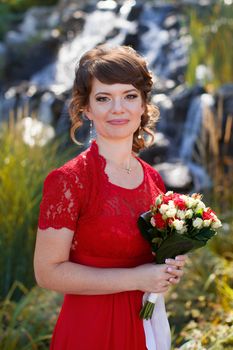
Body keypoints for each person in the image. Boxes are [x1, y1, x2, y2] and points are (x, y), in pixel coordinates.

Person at [34, 45, 186, 350]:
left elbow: (147, 263)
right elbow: (47, 273)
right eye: (104, 98)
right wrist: (137, 279)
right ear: (87, 108)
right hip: (90, 331)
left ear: (143, 104)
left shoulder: (154, 179)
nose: (118, 108)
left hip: (144, 328)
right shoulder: (69, 181)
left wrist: (166, 270)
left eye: (130, 96)